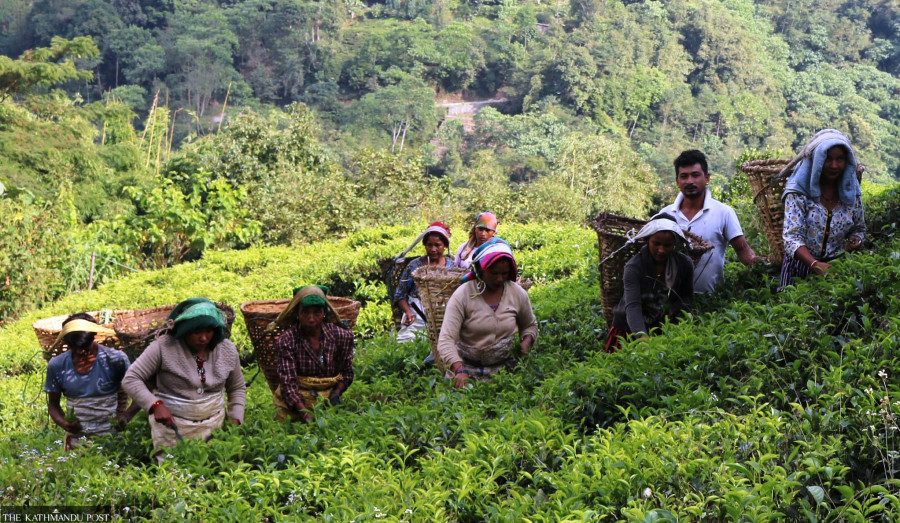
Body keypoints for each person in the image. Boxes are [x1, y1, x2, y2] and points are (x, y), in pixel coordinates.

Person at [122, 298, 245, 452]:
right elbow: (131, 379)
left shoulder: (226, 349)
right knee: (174, 470)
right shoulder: (163, 347)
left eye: (209, 331)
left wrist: (235, 417)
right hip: (173, 427)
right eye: (196, 332)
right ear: (184, 330)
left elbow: (237, 387)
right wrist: (155, 405)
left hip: (214, 425)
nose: (204, 338)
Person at [438, 238, 537, 387]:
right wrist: (459, 370)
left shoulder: (517, 293)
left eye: (504, 273)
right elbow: (446, 339)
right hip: (466, 371)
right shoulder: (463, 294)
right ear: (480, 270)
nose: (500, 278)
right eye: (494, 273)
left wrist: (526, 342)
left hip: (506, 372)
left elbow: (530, 325)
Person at [658, 150, 761, 293]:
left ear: (707, 178)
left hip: (710, 304)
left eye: (695, 175)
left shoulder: (723, 212)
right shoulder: (664, 215)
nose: (690, 181)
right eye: (684, 176)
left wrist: (764, 268)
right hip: (667, 301)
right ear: (677, 181)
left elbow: (743, 250)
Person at [780, 129, 866, 287]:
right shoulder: (799, 193)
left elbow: (859, 227)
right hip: (799, 269)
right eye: (827, 158)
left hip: (837, 269)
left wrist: (856, 240)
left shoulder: (850, 194)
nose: (834, 165)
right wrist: (814, 264)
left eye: (840, 159)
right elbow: (791, 238)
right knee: (795, 310)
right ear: (817, 160)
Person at [45, 313, 141, 450]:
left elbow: (140, 392)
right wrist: (65, 424)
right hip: (77, 437)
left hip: (110, 435)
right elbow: (53, 405)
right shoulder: (57, 365)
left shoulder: (115, 359)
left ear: (94, 336)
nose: (80, 352)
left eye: (85, 347)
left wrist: (126, 416)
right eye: (74, 347)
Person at [604, 216, 694, 353]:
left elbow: (686, 298)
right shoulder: (634, 267)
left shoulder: (684, 264)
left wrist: (672, 310)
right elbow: (633, 306)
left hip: (662, 328)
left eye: (667, 245)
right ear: (647, 241)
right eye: (656, 244)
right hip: (629, 327)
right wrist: (642, 338)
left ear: (674, 244)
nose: (662, 250)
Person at [271, 285, 355, 423]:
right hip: (295, 402)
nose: (311, 319)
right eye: (305, 313)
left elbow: (347, 372)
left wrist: (335, 395)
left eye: (317, 313)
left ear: (324, 313)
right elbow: (288, 383)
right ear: (297, 314)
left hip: (327, 401)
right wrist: (304, 413)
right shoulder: (287, 340)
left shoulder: (341, 336)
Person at [395, 222, 456, 344]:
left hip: (443, 312)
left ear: (444, 246)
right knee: (407, 342)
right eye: (429, 245)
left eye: (437, 245)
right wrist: (408, 312)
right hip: (417, 311)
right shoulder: (414, 265)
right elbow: (400, 294)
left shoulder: (452, 266)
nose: (433, 249)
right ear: (425, 246)